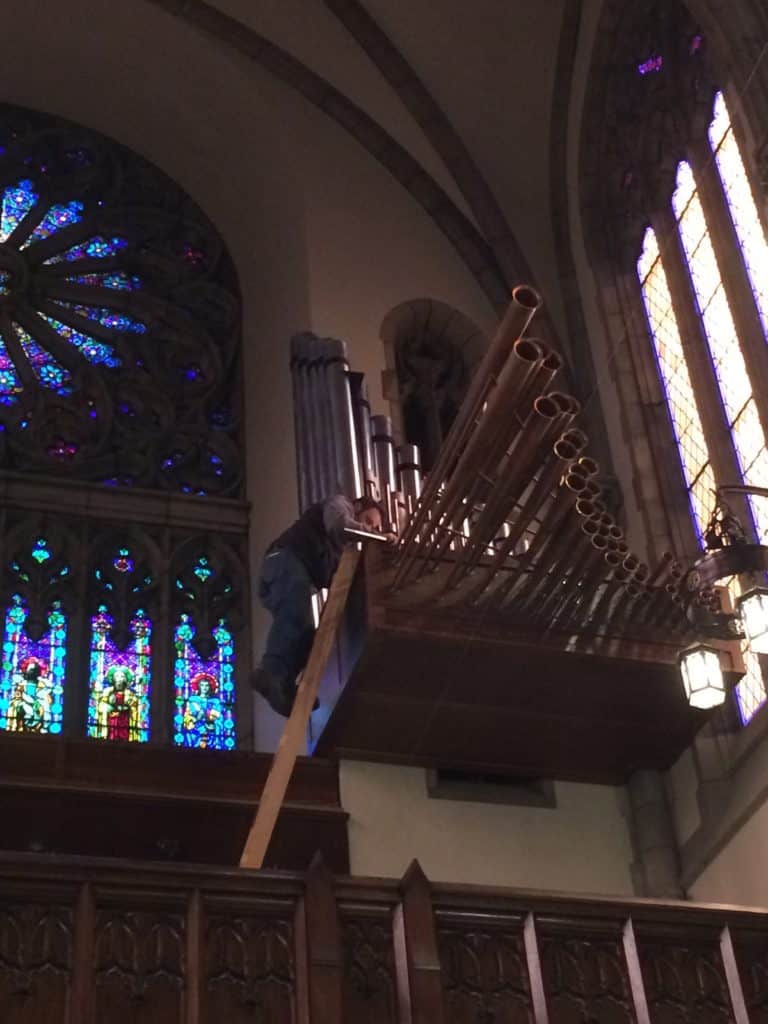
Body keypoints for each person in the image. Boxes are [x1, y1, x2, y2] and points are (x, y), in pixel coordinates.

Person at [251, 494, 388, 716]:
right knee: (296, 610)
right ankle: (269, 672)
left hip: (293, 576)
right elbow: (340, 526)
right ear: (359, 507)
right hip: (285, 561)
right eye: (368, 521)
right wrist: (380, 537)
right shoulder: (339, 504)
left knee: (307, 635)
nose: (367, 528)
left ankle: (283, 685)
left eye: (372, 527)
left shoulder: (342, 553)